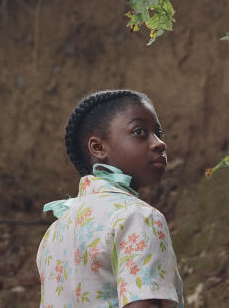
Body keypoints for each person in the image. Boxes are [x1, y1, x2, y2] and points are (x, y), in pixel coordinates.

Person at [37, 90, 184, 308]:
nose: (159, 143)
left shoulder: (53, 234)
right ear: (98, 147)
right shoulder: (138, 217)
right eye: (140, 131)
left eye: (159, 133)